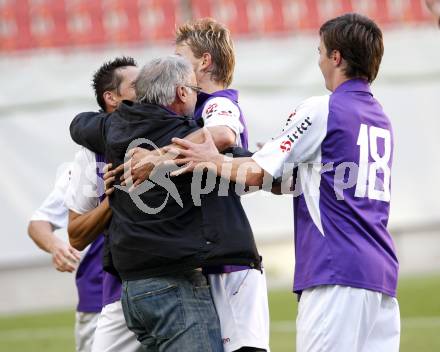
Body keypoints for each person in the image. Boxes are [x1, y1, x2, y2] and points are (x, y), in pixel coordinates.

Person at [168, 13, 400, 352]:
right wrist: (271, 169)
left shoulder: (323, 109)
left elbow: (257, 172)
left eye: (320, 51)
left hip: (335, 272)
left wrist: (212, 160)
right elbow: (308, 181)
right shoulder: (380, 117)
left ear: (336, 57)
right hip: (381, 275)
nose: (319, 60)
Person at [69, 55, 261, 351]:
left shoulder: (112, 128)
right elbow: (242, 161)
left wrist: (154, 158)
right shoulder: (188, 135)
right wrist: (271, 158)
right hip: (174, 285)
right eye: (195, 89)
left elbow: (78, 124)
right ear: (182, 92)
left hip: (130, 291)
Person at [116, 18, 270, 352]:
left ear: (204, 61)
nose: (175, 61)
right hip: (207, 257)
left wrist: (159, 157)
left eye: (180, 54)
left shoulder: (218, 103)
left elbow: (223, 134)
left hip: (230, 266)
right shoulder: (187, 109)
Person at [65, 56, 142, 352]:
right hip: (116, 291)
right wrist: (113, 201)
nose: (146, 88)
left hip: (176, 288)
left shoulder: (172, 130)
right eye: (136, 85)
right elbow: (75, 235)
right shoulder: (90, 156)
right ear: (111, 98)